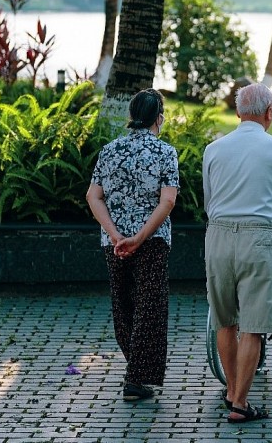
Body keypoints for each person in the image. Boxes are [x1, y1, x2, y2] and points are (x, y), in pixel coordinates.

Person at [203, 83, 272, 423]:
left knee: (225, 320)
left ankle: (233, 392)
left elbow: (209, 200)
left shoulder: (213, 150)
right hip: (258, 239)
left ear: (237, 112)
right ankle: (239, 404)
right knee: (253, 326)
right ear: (268, 113)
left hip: (217, 237)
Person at [86, 88, 179, 402]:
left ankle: (136, 373)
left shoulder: (109, 150)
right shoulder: (165, 152)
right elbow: (167, 201)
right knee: (149, 308)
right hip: (150, 241)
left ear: (132, 115)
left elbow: (93, 196)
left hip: (113, 243)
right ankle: (136, 380)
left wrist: (115, 235)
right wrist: (139, 237)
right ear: (158, 118)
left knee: (124, 305)